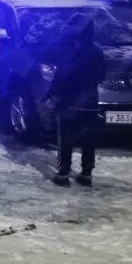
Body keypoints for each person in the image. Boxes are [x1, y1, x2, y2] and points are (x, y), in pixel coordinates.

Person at [44, 14, 106, 187]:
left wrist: (53, 96)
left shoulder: (68, 49)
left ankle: (63, 173)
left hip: (69, 100)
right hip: (90, 102)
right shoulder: (97, 50)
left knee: (65, 139)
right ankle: (86, 174)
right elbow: (101, 75)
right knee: (88, 140)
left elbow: (61, 75)